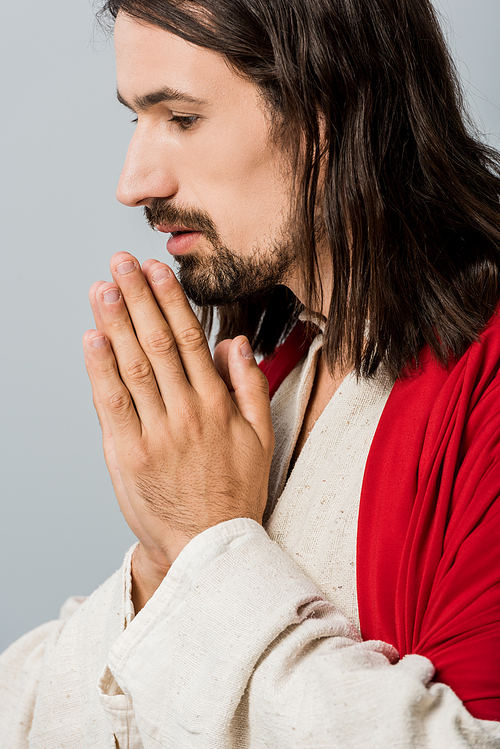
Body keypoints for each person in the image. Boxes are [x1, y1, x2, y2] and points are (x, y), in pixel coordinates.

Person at [1, 0, 500, 746]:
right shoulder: (280, 377)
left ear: (326, 110)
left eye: (181, 117)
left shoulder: (481, 390)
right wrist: (164, 559)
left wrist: (204, 546)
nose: (133, 181)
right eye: (135, 118)